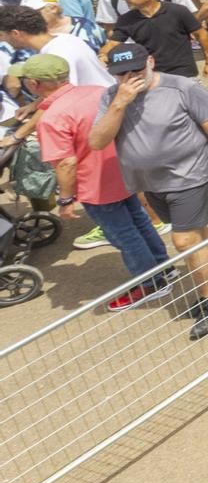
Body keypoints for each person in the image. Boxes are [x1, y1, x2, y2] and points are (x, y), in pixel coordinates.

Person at [87, 42, 208, 340]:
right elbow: (97, 142)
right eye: (121, 74)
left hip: (188, 176)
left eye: (135, 70)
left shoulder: (182, 88)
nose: (129, 78)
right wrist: (120, 103)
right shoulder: (111, 97)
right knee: (199, 233)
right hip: (148, 183)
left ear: (151, 61)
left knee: (185, 241)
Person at [22, 53, 172, 310]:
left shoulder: (53, 118)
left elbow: (66, 163)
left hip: (96, 184)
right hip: (126, 170)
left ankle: (150, 283)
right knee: (140, 222)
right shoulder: (96, 91)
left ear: (34, 84)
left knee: (124, 235)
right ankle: (162, 268)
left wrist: (66, 199)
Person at [104, 0, 208, 82]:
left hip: (185, 74)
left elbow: (202, 35)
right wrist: (103, 54)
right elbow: (113, 43)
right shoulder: (127, 20)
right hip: (153, 77)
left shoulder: (177, 11)